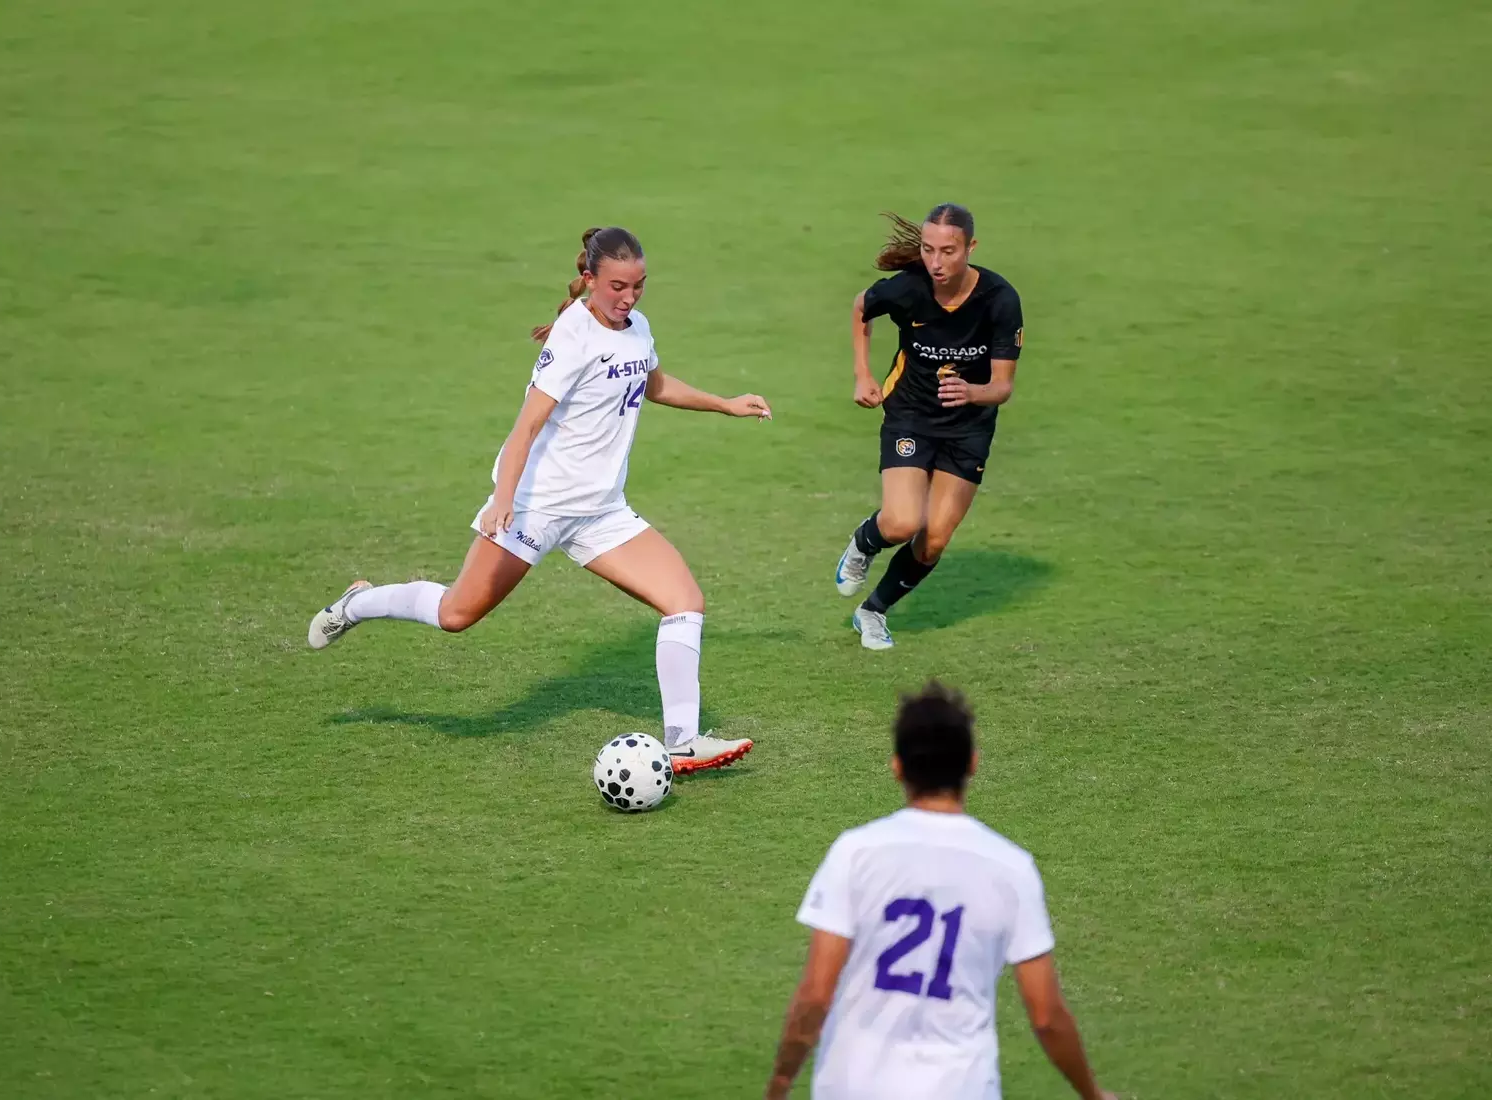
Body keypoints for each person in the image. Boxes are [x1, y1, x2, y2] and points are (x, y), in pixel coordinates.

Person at [306, 227, 769, 773]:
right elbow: (527, 426)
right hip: (534, 507)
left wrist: (724, 404)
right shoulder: (572, 337)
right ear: (591, 280)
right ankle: (358, 602)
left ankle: (683, 741)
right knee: (457, 614)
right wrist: (504, 500)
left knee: (685, 602)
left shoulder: (636, 327)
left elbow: (654, 384)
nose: (629, 298)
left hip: (600, 511)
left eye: (639, 286)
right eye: (618, 286)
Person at [765, 682, 1115, 1100]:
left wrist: (782, 1080)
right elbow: (1046, 1016)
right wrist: (1093, 1093)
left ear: (897, 767)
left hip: (853, 1084)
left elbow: (816, 994)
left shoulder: (855, 853)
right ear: (973, 764)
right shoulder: (1011, 868)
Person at [832, 205, 1024, 650]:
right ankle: (863, 543)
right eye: (928, 249)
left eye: (948, 252)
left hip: (969, 428)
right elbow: (862, 307)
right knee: (901, 523)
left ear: (970, 248)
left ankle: (872, 612)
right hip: (912, 415)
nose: (936, 263)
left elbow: (1002, 387)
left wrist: (973, 393)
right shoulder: (909, 288)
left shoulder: (999, 299)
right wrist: (863, 374)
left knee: (934, 539)